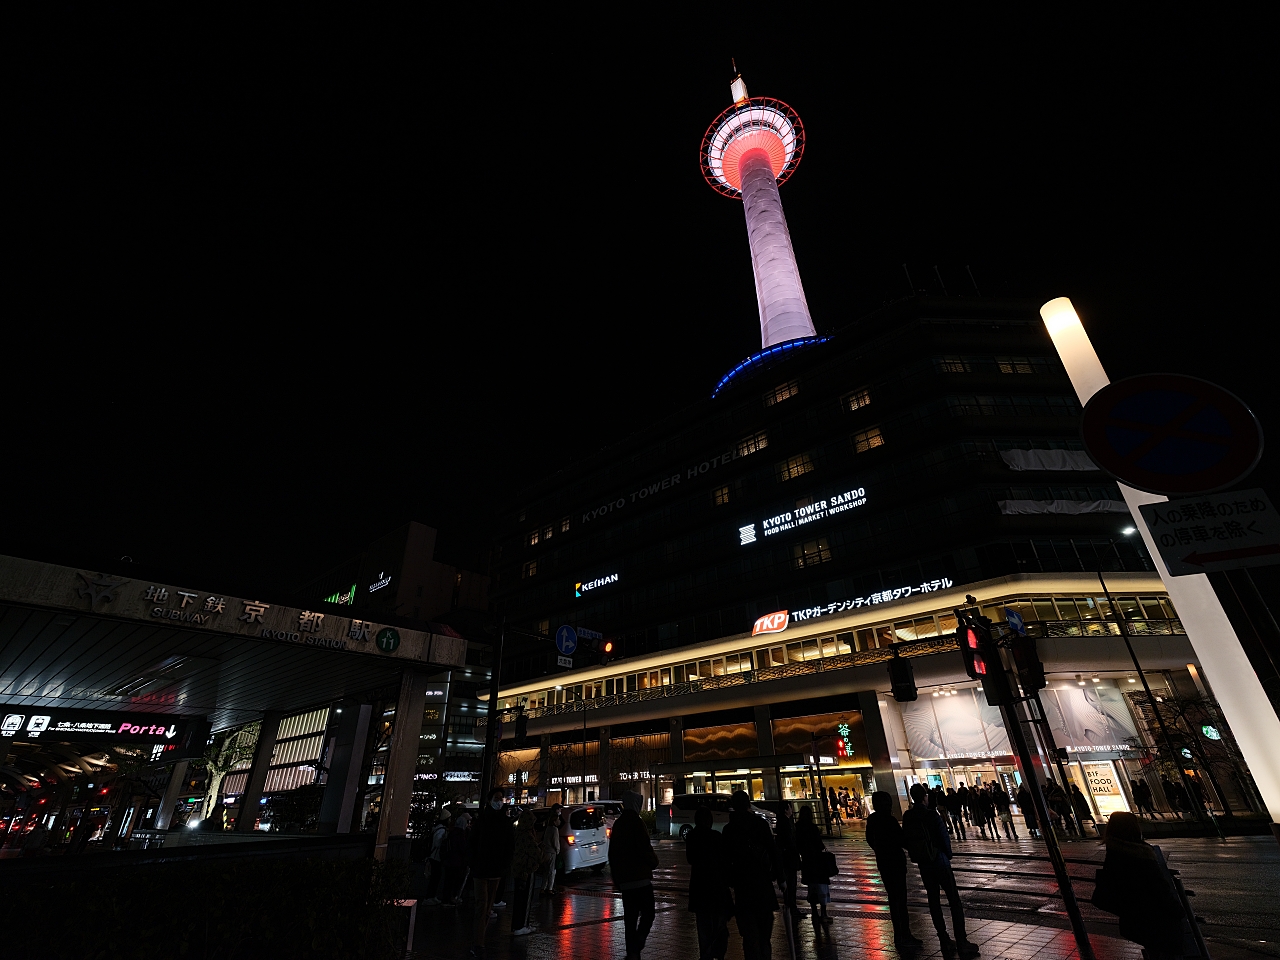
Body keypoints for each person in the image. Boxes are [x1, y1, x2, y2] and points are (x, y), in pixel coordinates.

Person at [902, 784, 979, 958]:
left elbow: (905, 839)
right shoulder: (931, 815)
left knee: (933, 900)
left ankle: (944, 938)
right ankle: (961, 940)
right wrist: (947, 854)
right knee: (953, 900)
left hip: (923, 863)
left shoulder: (908, 816)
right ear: (925, 797)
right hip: (940, 861)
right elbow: (943, 837)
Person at [1101, 812, 1188, 958]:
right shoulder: (1141, 853)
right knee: (1171, 952)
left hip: (1134, 916)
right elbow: (1159, 887)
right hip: (1157, 916)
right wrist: (1178, 910)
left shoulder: (1113, 851)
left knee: (1153, 950)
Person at [722, 790, 782, 960]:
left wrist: (729, 882)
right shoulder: (760, 824)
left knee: (749, 938)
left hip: (743, 888)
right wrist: (780, 877)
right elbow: (773, 850)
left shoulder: (729, 829)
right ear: (748, 804)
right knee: (764, 935)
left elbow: (725, 861)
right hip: (762, 884)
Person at [865, 791, 921, 946]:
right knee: (901, 900)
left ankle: (898, 935)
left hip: (883, 862)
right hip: (895, 861)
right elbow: (902, 840)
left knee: (892, 898)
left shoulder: (872, 819)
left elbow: (869, 839)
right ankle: (905, 934)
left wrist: (879, 850)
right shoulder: (889, 820)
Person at [609, 790, 659, 960]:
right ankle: (637, 945)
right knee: (648, 913)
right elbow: (645, 848)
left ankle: (632, 952)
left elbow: (613, 854)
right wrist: (653, 862)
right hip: (641, 879)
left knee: (630, 919)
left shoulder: (619, 824)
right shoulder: (637, 823)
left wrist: (616, 878)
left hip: (625, 881)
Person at [468, 788, 515, 958]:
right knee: (482, 905)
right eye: (496, 798)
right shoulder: (483, 821)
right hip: (482, 870)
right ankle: (478, 943)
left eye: (501, 798)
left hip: (494, 870)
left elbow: (510, 846)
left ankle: (478, 941)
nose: (499, 801)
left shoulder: (504, 821)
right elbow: (472, 843)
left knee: (486, 908)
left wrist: (504, 864)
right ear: (489, 800)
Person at [686, 805, 734, 960]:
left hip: (699, 888)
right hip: (717, 888)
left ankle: (705, 954)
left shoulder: (692, 837)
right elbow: (725, 861)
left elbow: (690, 859)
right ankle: (718, 954)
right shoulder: (716, 837)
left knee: (703, 928)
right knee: (719, 926)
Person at [795, 805, 833, 926]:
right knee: (822, 887)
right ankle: (823, 913)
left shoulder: (798, 828)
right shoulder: (813, 828)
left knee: (811, 887)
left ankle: (814, 913)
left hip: (807, 861)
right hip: (818, 861)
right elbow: (819, 844)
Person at [510, 810, 547, 936]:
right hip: (526, 869)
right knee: (525, 899)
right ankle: (522, 925)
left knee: (518, 898)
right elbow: (536, 853)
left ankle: (517, 925)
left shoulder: (517, 832)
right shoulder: (527, 835)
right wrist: (541, 851)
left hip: (518, 869)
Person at [773, 800, 803, 918]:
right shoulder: (786, 823)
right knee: (791, 883)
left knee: (789, 884)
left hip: (786, 858)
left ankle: (790, 907)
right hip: (789, 858)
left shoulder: (782, 821)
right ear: (786, 809)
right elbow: (789, 841)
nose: (792, 810)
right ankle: (792, 907)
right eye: (790, 807)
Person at [441, 812, 471, 905]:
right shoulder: (461, 834)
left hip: (450, 861)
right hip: (456, 862)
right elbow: (462, 848)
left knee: (448, 881)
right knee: (453, 881)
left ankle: (447, 899)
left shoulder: (452, 833)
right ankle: (451, 898)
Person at [424, 811, 452, 904]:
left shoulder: (437, 828)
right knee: (435, 878)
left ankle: (431, 896)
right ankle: (430, 897)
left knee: (435, 878)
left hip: (434, 856)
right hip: (436, 857)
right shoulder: (442, 830)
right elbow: (437, 843)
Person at [539, 804, 562, 895]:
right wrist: (558, 850)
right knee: (552, 871)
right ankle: (550, 889)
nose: (559, 821)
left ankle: (542, 888)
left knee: (546, 871)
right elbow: (555, 842)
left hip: (545, 851)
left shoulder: (548, 828)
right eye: (558, 820)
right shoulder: (555, 830)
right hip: (552, 852)